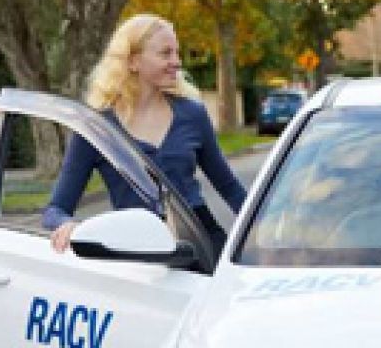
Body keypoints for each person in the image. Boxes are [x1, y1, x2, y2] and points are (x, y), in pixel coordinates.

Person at [42, 14, 246, 253]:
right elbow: (55, 209)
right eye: (165, 53)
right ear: (133, 61)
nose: (177, 62)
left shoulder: (193, 113)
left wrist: (265, 228)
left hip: (201, 245)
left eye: (177, 52)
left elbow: (230, 187)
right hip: (137, 251)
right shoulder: (97, 128)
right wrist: (67, 225)